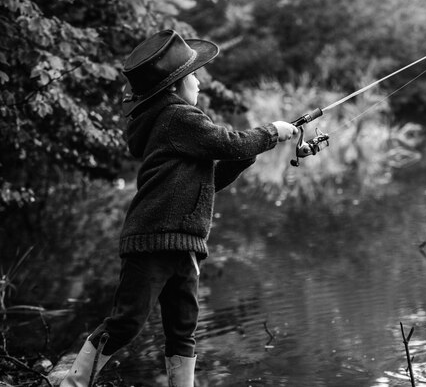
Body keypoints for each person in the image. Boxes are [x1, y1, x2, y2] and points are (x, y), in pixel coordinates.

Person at [60, 29, 298, 387]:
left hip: (184, 244)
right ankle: (73, 383)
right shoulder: (176, 117)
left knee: (183, 328)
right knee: (126, 322)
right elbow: (227, 141)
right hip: (153, 240)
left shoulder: (177, 126)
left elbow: (209, 182)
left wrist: (249, 152)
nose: (199, 83)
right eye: (193, 76)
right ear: (174, 87)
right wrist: (271, 132)